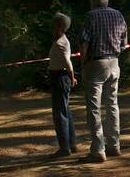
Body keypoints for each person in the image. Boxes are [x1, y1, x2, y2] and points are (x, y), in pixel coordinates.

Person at [80, 0, 127, 163]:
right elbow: (124, 43)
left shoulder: (90, 16)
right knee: (112, 104)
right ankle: (114, 145)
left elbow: (85, 43)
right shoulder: (118, 15)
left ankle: (98, 149)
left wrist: (83, 64)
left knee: (93, 107)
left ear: (93, 1)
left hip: (95, 63)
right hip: (114, 62)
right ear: (106, 0)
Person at [48, 12, 78, 158]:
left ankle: (64, 148)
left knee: (59, 114)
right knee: (66, 111)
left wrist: (72, 78)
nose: (51, 28)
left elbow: (68, 62)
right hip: (60, 77)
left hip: (59, 77)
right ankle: (72, 144)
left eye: (53, 25)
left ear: (58, 26)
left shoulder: (60, 43)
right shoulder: (62, 39)